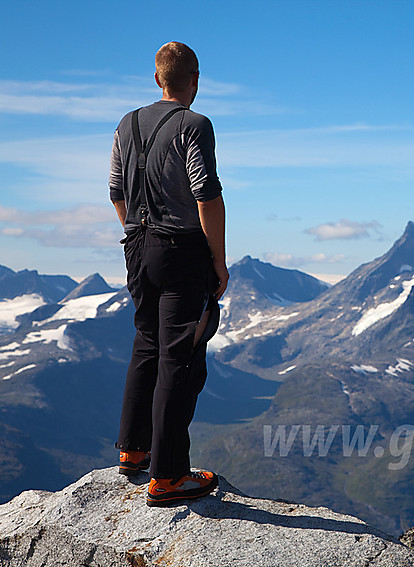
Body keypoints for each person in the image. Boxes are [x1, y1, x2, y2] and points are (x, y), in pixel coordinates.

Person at [109, 41, 228, 507]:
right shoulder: (195, 125)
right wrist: (217, 259)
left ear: (157, 78)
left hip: (137, 246)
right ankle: (169, 476)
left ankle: (133, 451)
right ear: (194, 80)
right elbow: (207, 194)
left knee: (146, 345)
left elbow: (116, 189)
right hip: (180, 249)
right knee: (179, 357)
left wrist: (137, 236)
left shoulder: (127, 123)